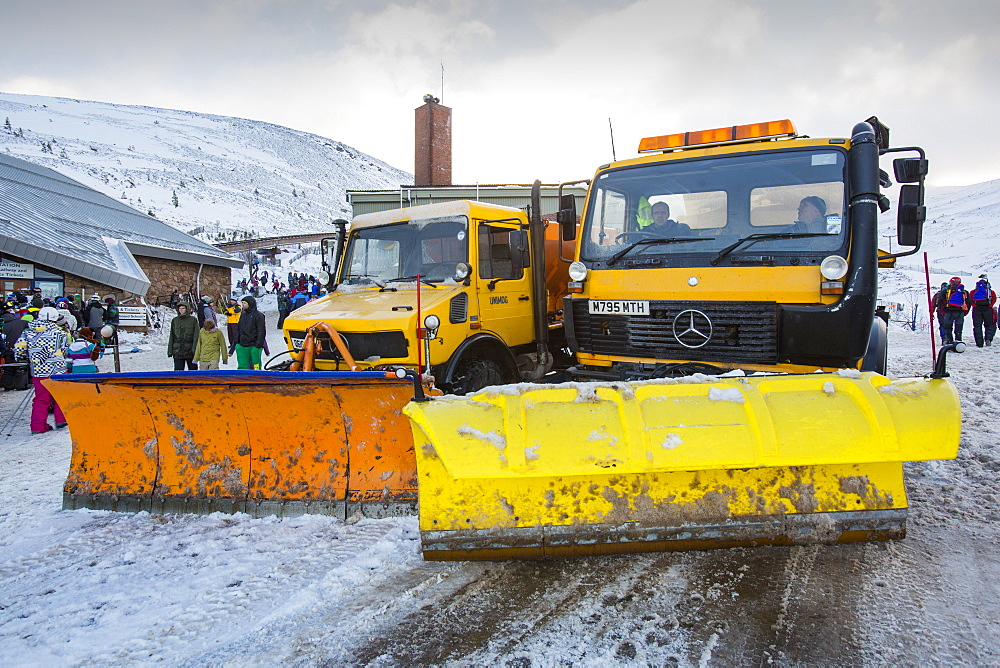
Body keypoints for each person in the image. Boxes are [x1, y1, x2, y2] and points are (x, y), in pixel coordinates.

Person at [13, 306, 69, 434]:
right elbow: (65, 351)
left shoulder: (28, 332)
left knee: (41, 399)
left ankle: (38, 426)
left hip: (39, 371)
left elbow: (19, 350)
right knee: (60, 397)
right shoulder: (60, 333)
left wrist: (26, 360)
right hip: (58, 369)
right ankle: (61, 420)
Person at [932, 277, 970, 345]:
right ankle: (958, 342)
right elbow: (969, 302)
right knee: (958, 328)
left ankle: (949, 342)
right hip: (960, 312)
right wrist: (965, 312)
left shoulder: (945, 292)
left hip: (948, 312)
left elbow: (939, 302)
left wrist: (942, 311)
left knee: (947, 328)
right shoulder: (964, 292)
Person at [235, 295, 266, 370]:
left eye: (244, 303)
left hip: (254, 345)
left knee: (256, 366)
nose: (243, 305)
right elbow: (239, 328)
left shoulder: (259, 315)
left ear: (250, 303)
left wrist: (258, 345)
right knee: (242, 366)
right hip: (242, 345)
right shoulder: (243, 315)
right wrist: (237, 342)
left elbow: (261, 331)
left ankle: (257, 379)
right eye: (242, 303)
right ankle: (243, 380)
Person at [167, 302, 200, 370]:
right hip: (178, 350)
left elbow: (196, 335)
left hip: (190, 350)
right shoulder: (175, 320)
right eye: (179, 308)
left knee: (193, 371)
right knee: (178, 372)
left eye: (183, 308)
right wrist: (170, 350)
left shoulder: (193, 320)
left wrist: (194, 349)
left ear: (187, 309)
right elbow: (172, 336)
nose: (181, 310)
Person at [969, 275, 997, 347]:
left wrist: (974, 305)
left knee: (977, 326)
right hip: (987, 309)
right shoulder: (990, 292)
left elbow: (970, 299)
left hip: (977, 309)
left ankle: (979, 343)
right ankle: (988, 339)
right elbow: (994, 299)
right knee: (989, 325)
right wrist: (990, 306)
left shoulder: (973, 292)